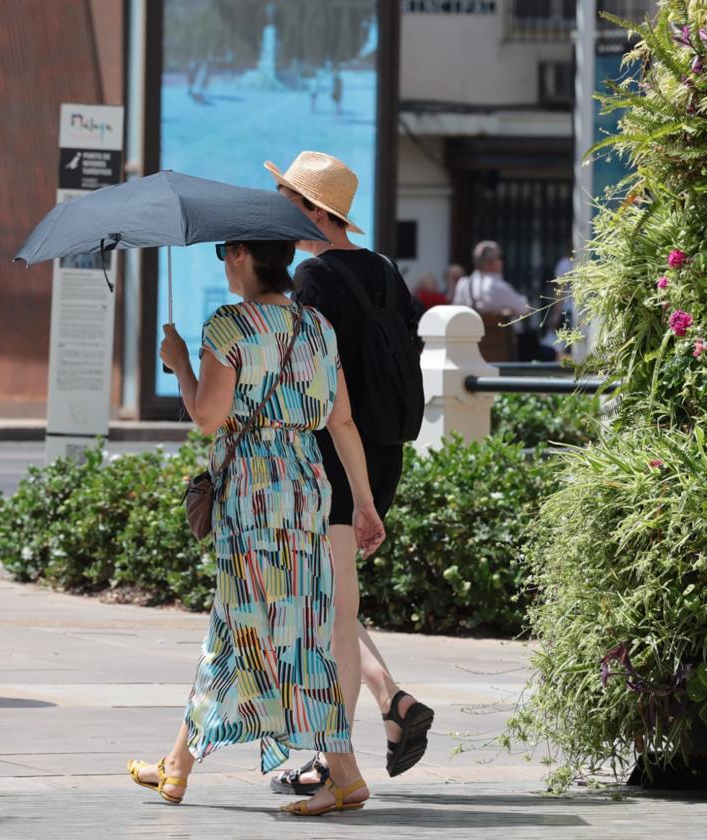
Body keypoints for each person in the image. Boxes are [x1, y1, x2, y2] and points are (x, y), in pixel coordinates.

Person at [129, 239, 386, 817]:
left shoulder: (229, 327)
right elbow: (341, 420)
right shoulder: (315, 325)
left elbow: (206, 417)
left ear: (242, 255)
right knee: (259, 622)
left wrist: (178, 365)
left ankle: (344, 772)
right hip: (306, 486)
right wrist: (365, 502)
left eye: (225, 251)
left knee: (273, 628)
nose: (223, 260)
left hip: (251, 494)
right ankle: (177, 766)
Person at [265, 151, 435, 796]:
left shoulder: (313, 279)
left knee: (333, 605)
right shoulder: (386, 272)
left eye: (285, 198)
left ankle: (333, 756)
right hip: (384, 449)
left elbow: (311, 380)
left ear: (312, 211)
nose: (277, 207)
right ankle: (389, 706)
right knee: (333, 598)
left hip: (333, 453)